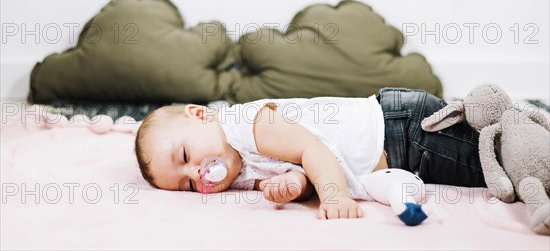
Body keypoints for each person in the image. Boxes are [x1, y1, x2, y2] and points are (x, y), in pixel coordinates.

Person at [134, 87, 486, 220]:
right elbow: (300, 168)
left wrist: (333, 196)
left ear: (200, 114)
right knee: (487, 166)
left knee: (486, 159)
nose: (197, 173)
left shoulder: (244, 125)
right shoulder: (238, 173)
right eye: (188, 185)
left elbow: (311, 148)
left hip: (400, 130)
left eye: (184, 156)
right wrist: (293, 186)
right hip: (400, 155)